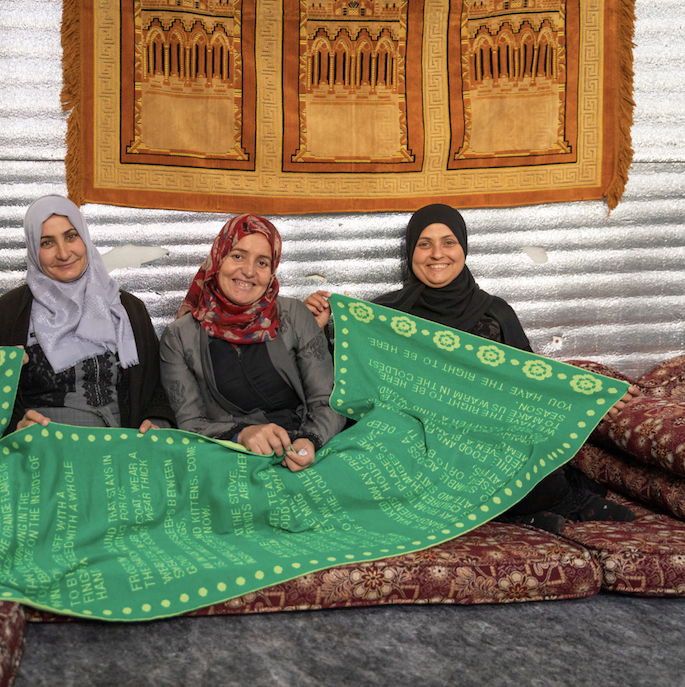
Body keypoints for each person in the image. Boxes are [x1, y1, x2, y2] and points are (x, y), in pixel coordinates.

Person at [306, 203, 637, 531]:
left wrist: (593, 393)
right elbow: (351, 378)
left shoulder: (496, 313)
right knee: (364, 469)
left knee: (526, 460)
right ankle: (514, 511)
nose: (437, 254)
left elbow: (533, 381)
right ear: (411, 253)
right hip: (413, 445)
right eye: (424, 244)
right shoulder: (385, 316)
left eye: (448, 242)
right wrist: (318, 330)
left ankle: (526, 507)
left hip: (482, 440)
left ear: (463, 248)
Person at [0, 195, 173, 435]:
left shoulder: (128, 309)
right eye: (47, 243)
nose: (64, 253)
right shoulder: (5, 315)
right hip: (44, 452)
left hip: (122, 447)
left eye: (71, 236)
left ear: (85, 237)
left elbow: (155, 387)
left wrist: (157, 420)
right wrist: (16, 427)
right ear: (33, 250)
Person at [159, 214, 344, 472]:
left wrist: (310, 440)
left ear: (272, 271)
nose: (248, 271)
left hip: (306, 452)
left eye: (262, 262)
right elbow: (190, 423)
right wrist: (242, 435)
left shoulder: (294, 316)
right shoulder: (179, 337)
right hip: (228, 458)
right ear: (218, 258)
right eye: (237, 255)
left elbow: (328, 398)